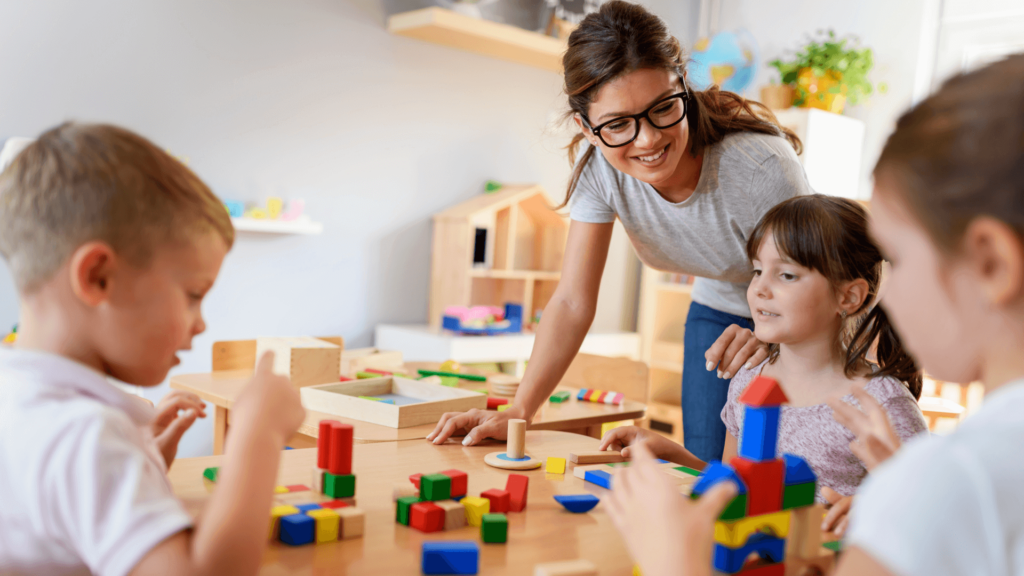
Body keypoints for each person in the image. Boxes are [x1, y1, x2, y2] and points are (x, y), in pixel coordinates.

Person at [607, 53, 1024, 576]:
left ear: (991, 263)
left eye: (900, 257)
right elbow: (740, 483)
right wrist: (678, 459)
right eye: (758, 272)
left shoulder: (951, 476)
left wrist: (675, 562)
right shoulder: (755, 384)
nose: (887, 293)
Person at [428, 0, 811, 462]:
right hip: (720, 310)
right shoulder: (602, 174)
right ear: (586, 128)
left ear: (683, 88)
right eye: (618, 124)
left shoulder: (759, 167)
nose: (647, 140)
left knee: (790, 470)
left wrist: (772, 334)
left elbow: (821, 280)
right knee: (709, 474)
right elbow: (571, 301)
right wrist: (520, 410)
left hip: (808, 311)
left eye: (663, 108)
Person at [0, 122, 305, 575]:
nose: (201, 324)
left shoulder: (22, 399)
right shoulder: (84, 435)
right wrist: (257, 435)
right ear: (98, 277)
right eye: (193, 295)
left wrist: (141, 460)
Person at [600, 195, 927, 529]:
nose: (759, 288)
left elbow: (928, 518)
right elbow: (734, 487)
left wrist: (877, 510)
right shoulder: (747, 380)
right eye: (757, 270)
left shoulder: (883, 404)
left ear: (848, 296)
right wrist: (672, 456)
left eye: (786, 275)